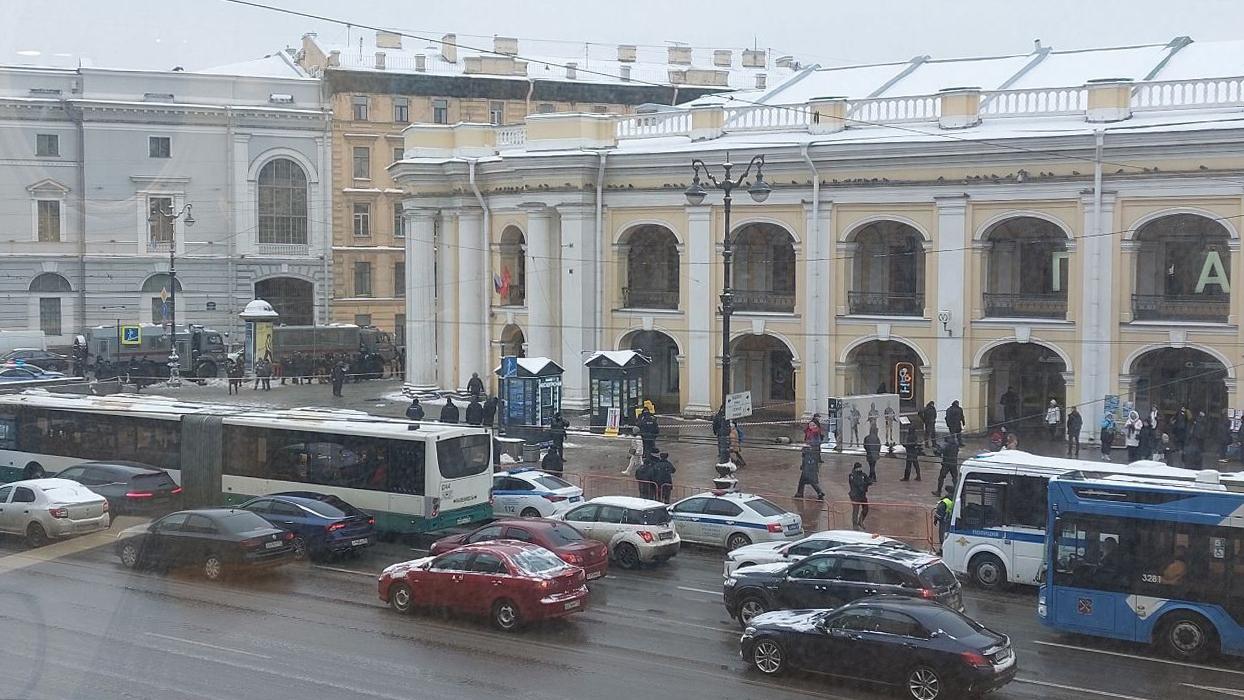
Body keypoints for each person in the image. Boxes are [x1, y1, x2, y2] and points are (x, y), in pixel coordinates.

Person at [848, 462, 872, 530]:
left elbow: (869, 481)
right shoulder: (852, 475)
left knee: (866, 509)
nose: (859, 469)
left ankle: (861, 521)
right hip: (855, 495)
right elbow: (857, 484)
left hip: (862, 495)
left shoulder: (863, 474)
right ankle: (855, 525)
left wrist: (866, 483)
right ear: (855, 468)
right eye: (858, 468)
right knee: (856, 510)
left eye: (860, 467)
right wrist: (865, 483)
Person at [933, 485, 955, 552]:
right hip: (951, 520)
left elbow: (939, 511)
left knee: (942, 535)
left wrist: (936, 518)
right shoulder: (955, 499)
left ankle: (942, 550)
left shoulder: (945, 501)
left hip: (944, 520)